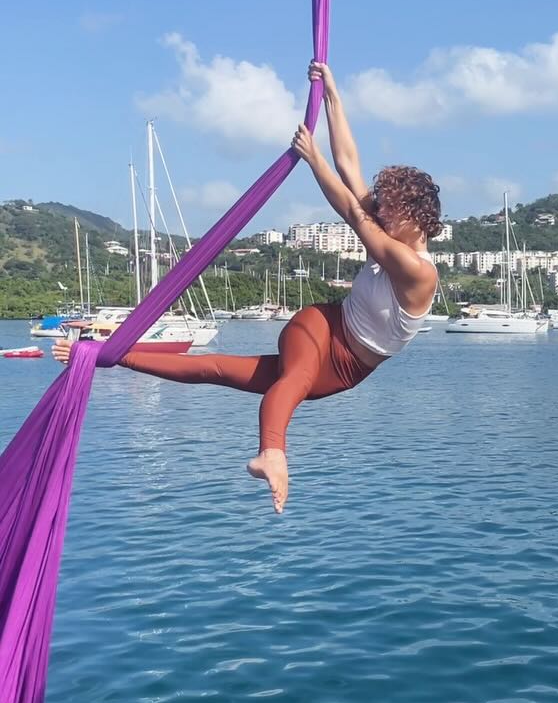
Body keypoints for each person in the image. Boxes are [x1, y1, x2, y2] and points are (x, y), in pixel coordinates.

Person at [54, 62, 442, 513]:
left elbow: (356, 216)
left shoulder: (418, 271)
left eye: (390, 210)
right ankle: (272, 453)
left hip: (345, 372)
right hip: (320, 326)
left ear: (416, 218)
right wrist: (333, 95)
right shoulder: (392, 231)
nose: (380, 212)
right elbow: (349, 165)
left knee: (215, 369)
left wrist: (313, 159)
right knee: (292, 380)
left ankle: (104, 355)